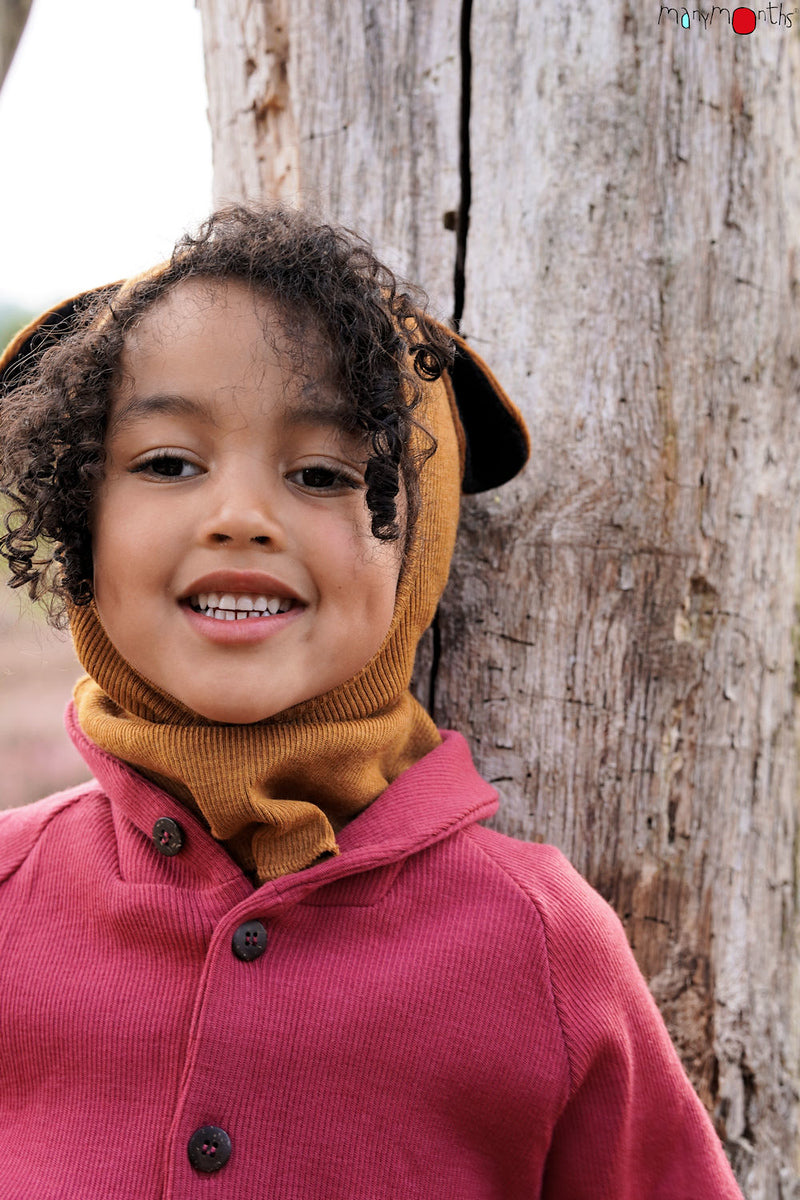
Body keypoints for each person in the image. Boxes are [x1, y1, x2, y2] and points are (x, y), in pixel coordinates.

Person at [0, 203, 743, 1198]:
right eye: (169, 462)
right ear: (77, 511)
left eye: (321, 473)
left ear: (419, 541)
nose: (240, 518)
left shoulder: (536, 941)